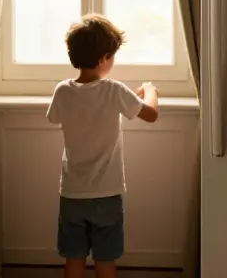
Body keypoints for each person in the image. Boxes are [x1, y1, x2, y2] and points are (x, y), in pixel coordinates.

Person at [46, 15, 159, 278]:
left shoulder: (62, 90)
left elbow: (56, 116)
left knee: (73, 256)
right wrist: (150, 90)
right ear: (104, 58)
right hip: (106, 193)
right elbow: (150, 114)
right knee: (105, 257)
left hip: (72, 193)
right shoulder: (113, 90)